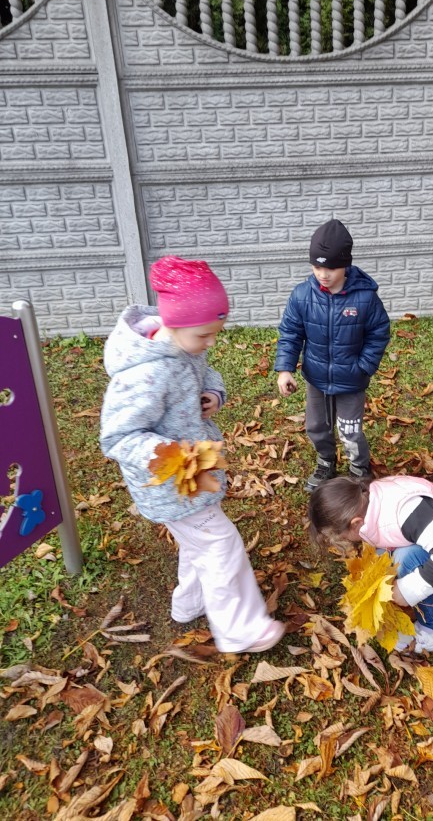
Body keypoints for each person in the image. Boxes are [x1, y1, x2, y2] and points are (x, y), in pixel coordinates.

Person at [100, 255, 284, 654]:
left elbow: (205, 370)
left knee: (199, 542)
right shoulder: (145, 374)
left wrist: (213, 394)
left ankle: (190, 603)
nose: (211, 342)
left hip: (194, 474)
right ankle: (239, 629)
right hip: (170, 484)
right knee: (220, 543)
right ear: (176, 323)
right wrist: (169, 452)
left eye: (215, 333)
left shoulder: (185, 345)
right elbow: (117, 437)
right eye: (205, 335)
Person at [308, 475, 433, 653]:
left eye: (342, 536)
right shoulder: (370, 499)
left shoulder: (407, 510)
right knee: (392, 557)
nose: (344, 541)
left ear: (355, 522)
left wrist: (408, 589)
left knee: (407, 559)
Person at [275, 218, 390, 491]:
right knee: (316, 426)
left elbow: (379, 332)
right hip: (316, 378)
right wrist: (285, 369)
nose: (323, 274)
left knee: (350, 430)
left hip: (351, 380)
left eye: (331, 268)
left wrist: (363, 366)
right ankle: (326, 461)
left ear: (345, 265)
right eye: (317, 267)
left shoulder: (365, 298)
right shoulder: (302, 296)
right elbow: (290, 333)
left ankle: (359, 468)